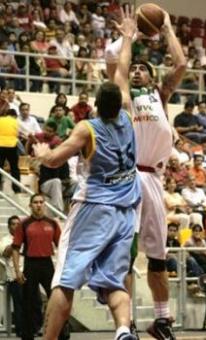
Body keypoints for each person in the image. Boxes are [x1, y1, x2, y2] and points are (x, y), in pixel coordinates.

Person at [32, 71, 141, 340]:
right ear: (119, 104)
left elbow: (56, 160)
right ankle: (123, 330)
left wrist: (43, 154)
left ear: (95, 105)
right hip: (126, 213)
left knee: (64, 281)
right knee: (114, 282)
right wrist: (127, 37)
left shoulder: (87, 128)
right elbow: (122, 77)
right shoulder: (128, 118)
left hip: (94, 209)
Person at [106, 5, 186, 339]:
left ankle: (162, 320)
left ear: (153, 77)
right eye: (135, 68)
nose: (137, 71)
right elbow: (120, 72)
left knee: (158, 256)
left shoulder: (160, 94)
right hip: (129, 177)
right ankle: (126, 326)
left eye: (143, 69)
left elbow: (180, 64)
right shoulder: (126, 96)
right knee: (125, 254)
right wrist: (127, 38)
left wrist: (166, 29)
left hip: (155, 178)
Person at [12, 194, 61, 340]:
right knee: (28, 302)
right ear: (30, 205)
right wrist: (17, 271)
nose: (38, 205)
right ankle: (27, 336)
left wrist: (63, 268)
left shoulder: (52, 223)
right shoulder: (24, 224)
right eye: (35, 202)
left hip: (47, 264)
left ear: (44, 205)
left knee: (56, 300)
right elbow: (15, 248)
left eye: (41, 202)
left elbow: (62, 247)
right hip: (30, 264)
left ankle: (60, 334)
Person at [0, 216, 22, 336]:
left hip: (28, 274)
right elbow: (5, 252)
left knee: (34, 303)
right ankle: (20, 330)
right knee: (19, 304)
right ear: (9, 227)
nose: (16, 226)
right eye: (13, 224)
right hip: (14, 277)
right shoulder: (5, 240)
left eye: (18, 224)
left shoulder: (26, 238)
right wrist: (17, 240)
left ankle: (33, 327)